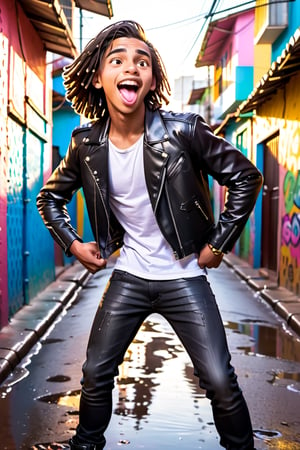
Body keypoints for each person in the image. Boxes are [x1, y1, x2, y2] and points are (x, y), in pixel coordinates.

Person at [37, 20, 262, 450]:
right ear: (99, 78)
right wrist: (72, 243)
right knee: (95, 373)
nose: (131, 67)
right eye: (117, 60)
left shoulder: (183, 132)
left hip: (184, 278)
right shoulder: (86, 144)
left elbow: (246, 178)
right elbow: (50, 198)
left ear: (152, 78)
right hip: (131, 277)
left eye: (143, 61)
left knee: (218, 378)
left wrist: (218, 244)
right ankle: (85, 445)